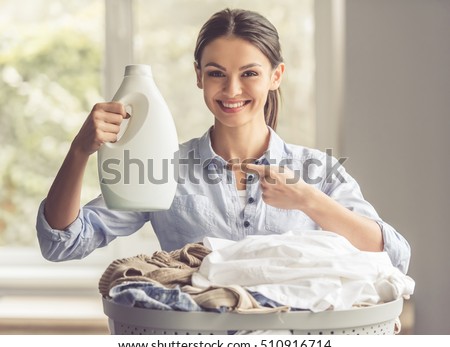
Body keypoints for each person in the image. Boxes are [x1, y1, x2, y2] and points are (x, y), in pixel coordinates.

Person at [36, 8, 410, 273]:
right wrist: (80, 151)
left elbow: (393, 256)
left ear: (276, 76)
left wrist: (309, 200)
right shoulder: (165, 170)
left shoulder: (316, 172)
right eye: (217, 73)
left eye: (250, 73)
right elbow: (62, 242)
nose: (232, 89)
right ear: (199, 76)